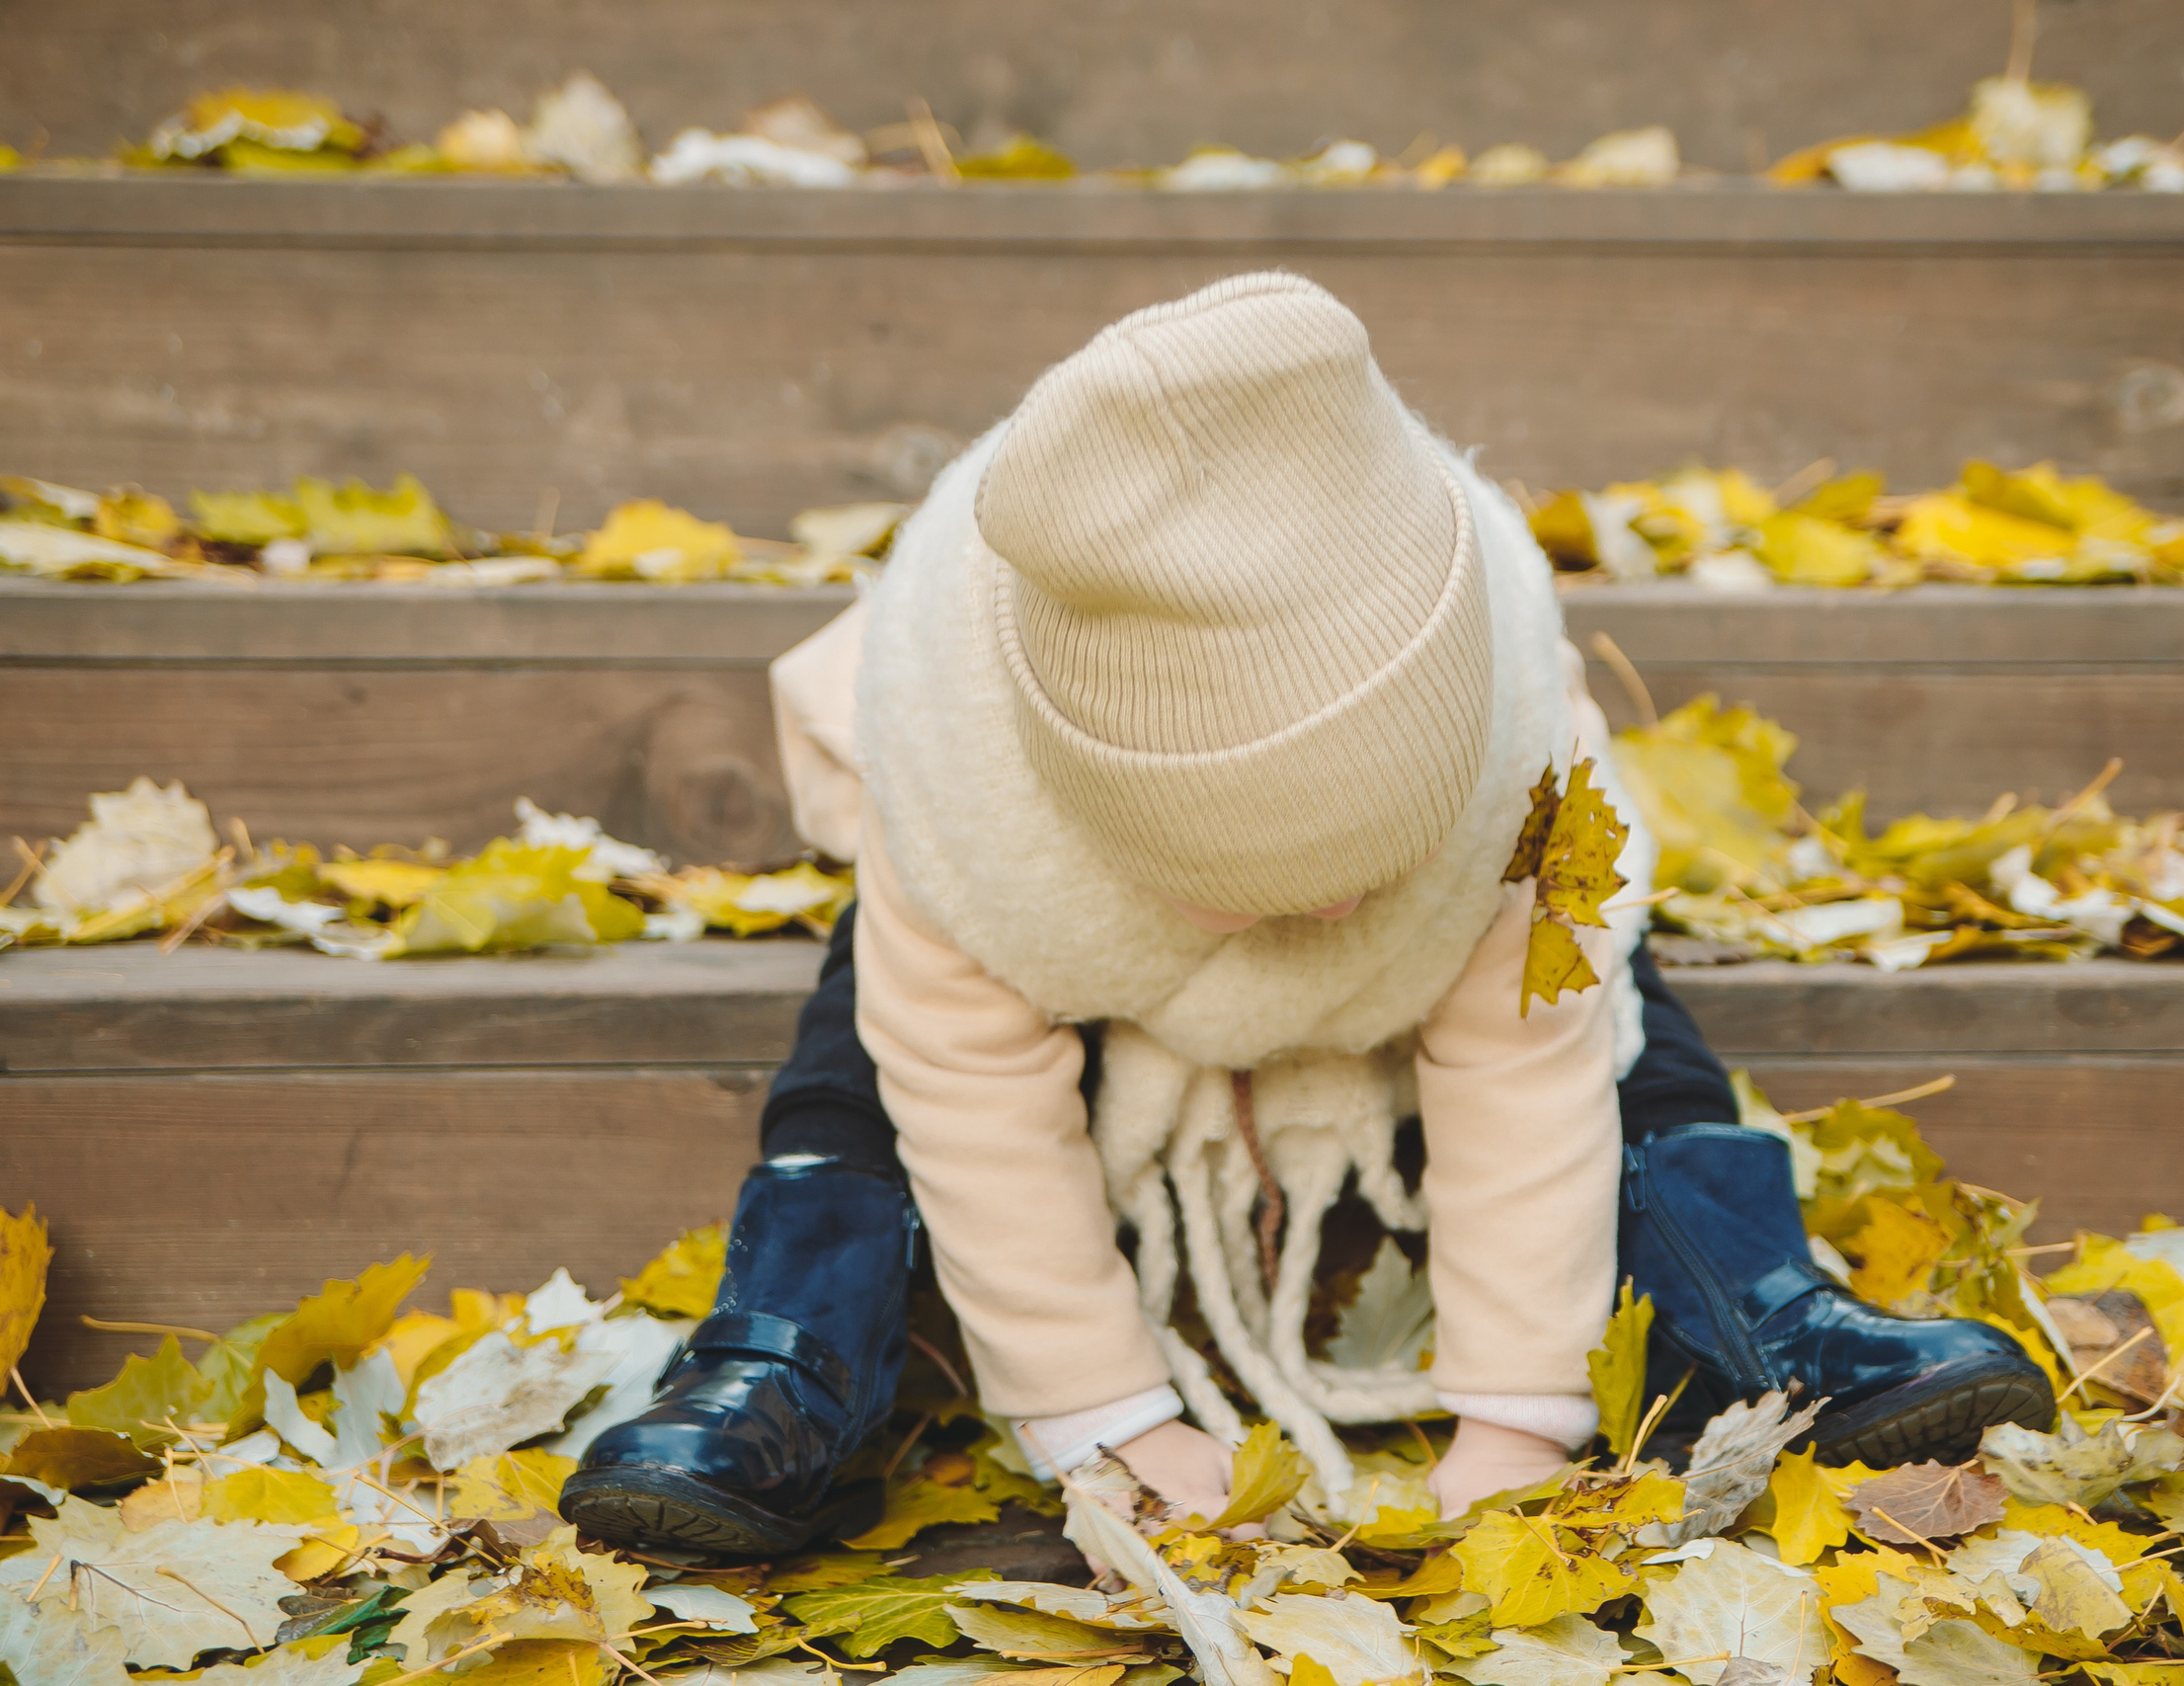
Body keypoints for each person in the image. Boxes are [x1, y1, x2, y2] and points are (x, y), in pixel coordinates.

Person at [556, 274, 2050, 1557]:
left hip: (1467, 942)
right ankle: (799, 1341)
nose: (1325, 907)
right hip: (1038, 934)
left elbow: (1528, 1055)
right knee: (868, 1038)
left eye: (1366, 862)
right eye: (1257, 884)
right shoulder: (961, 775)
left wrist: (1520, 1418)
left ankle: (1739, 1303)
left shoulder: (1520, 733)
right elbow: (969, 1081)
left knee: (1605, 981)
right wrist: (1098, 1409)